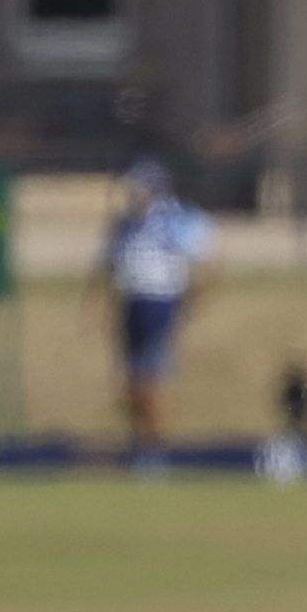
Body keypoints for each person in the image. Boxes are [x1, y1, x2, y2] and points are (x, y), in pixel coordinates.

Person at [97, 160, 219, 460]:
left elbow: (210, 260)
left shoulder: (174, 220)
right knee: (127, 383)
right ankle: (142, 441)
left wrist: (195, 300)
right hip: (131, 306)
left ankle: (154, 449)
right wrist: (99, 308)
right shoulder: (124, 226)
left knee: (150, 379)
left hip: (160, 305)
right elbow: (107, 267)